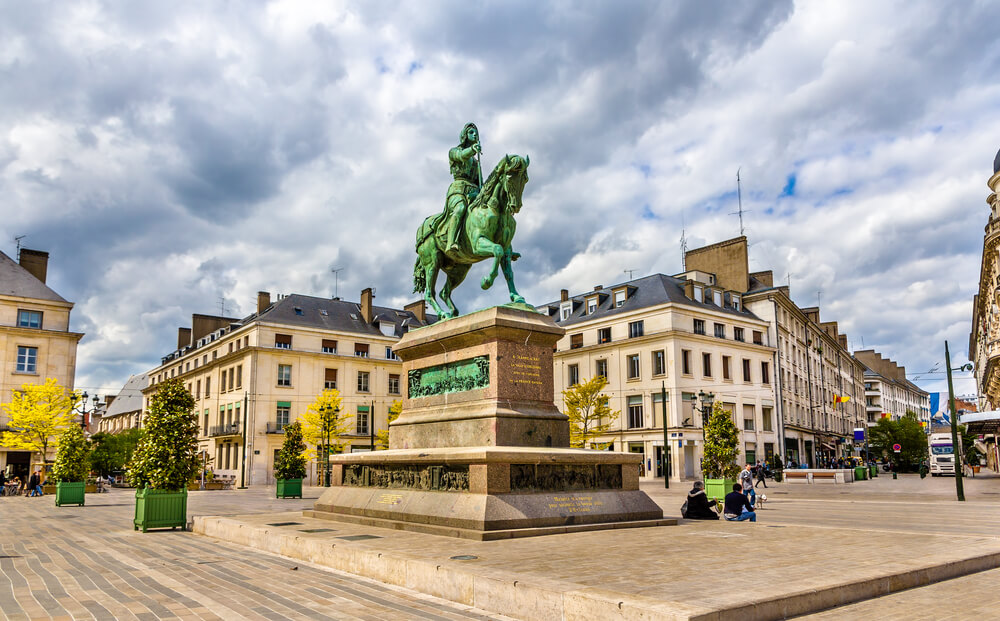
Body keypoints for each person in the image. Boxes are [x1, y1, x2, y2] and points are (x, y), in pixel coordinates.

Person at [443, 122, 483, 253]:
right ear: (464, 136)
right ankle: (451, 242)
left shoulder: (476, 163)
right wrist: (472, 150)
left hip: (474, 193)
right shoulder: (454, 152)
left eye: (476, 132)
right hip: (458, 191)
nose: (475, 134)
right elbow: (461, 156)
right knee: (460, 209)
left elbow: (479, 183)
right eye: (471, 132)